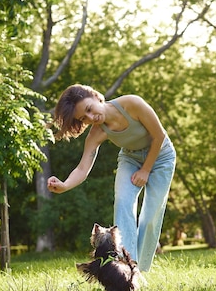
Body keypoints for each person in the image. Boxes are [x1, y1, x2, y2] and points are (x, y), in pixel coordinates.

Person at [47, 84, 176, 272]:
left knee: (150, 218)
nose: (91, 118)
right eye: (84, 118)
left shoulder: (132, 104)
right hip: (130, 158)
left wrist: (146, 170)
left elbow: (159, 135)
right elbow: (83, 168)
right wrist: (65, 185)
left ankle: (142, 269)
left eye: (89, 109)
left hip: (162, 156)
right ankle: (128, 270)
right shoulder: (97, 132)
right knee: (123, 203)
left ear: (97, 97)